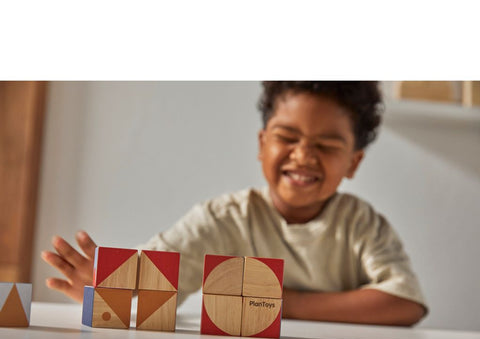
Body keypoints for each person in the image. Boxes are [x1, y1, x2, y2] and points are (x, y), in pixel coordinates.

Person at [41, 81, 428, 326]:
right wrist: (110, 287)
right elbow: (154, 286)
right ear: (262, 146)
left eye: (326, 146)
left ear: (353, 163)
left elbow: (404, 302)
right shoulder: (223, 219)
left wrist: (281, 304)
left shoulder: (359, 223)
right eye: (287, 137)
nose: (304, 155)